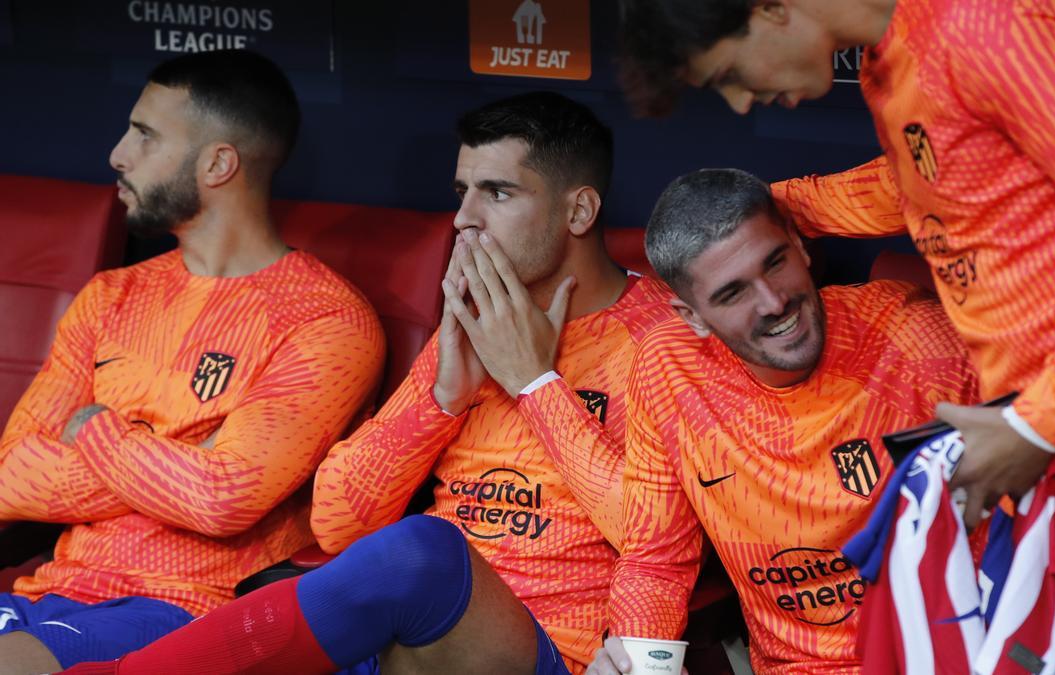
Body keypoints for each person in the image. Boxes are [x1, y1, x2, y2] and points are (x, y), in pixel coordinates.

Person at [617, 1, 1055, 672]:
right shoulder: (892, 61)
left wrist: (1037, 424)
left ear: (771, 9)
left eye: (727, 74)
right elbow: (935, 183)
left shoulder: (986, 22)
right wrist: (753, 220)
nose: (742, 105)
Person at [62, 91, 676, 675]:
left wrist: (534, 383)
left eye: (498, 192)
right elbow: (337, 522)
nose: (464, 219)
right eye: (462, 192)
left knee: (426, 552)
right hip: (401, 639)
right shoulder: (465, 328)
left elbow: (656, 538)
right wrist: (441, 403)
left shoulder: (661, 341)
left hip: (547, 647)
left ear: (579, 210)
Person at [0, 50, 385, 674]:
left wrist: (96, 431)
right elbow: (12, 474)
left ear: (218, 163)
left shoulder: (326, 319)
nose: (118, 155)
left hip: (188, 612)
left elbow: (222, 501)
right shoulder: (110, 296)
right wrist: (181, 458)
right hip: (54, 591)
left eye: (145, 136)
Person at [587, 168, 978, 674]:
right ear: (693, 317)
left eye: (776, 262)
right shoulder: (669, 368)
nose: (773, 302)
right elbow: (656, 559)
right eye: (732, 294)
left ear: (800, 244)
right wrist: (641, 659)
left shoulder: (915, 339)